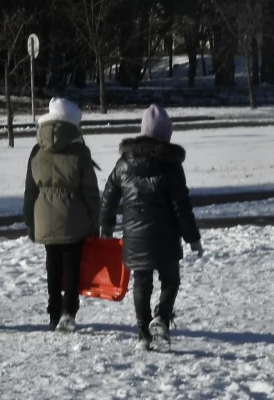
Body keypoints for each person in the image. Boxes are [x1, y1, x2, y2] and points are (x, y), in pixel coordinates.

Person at [100, 105, 202, 351]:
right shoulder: (171, 166)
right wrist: (192, 238)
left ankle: (143, 332)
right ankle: (162, 318)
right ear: (167, 135)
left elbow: (109, 194)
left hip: (135, 236)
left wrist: (106, 224)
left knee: (141, 282)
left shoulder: (124, 163)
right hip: (166, 236)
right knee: (171, 280)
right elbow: (181, 206)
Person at [24, 97, 100, 332]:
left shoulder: (37, 151)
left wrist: (30, 221)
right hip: (74, 219)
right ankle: (69, 311)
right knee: (72, 266)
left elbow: (30, 191)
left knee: (53, 266)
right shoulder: (80, 152)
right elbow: (90, 192)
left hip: (44, 218)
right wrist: (94, 221)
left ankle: (53, 312)